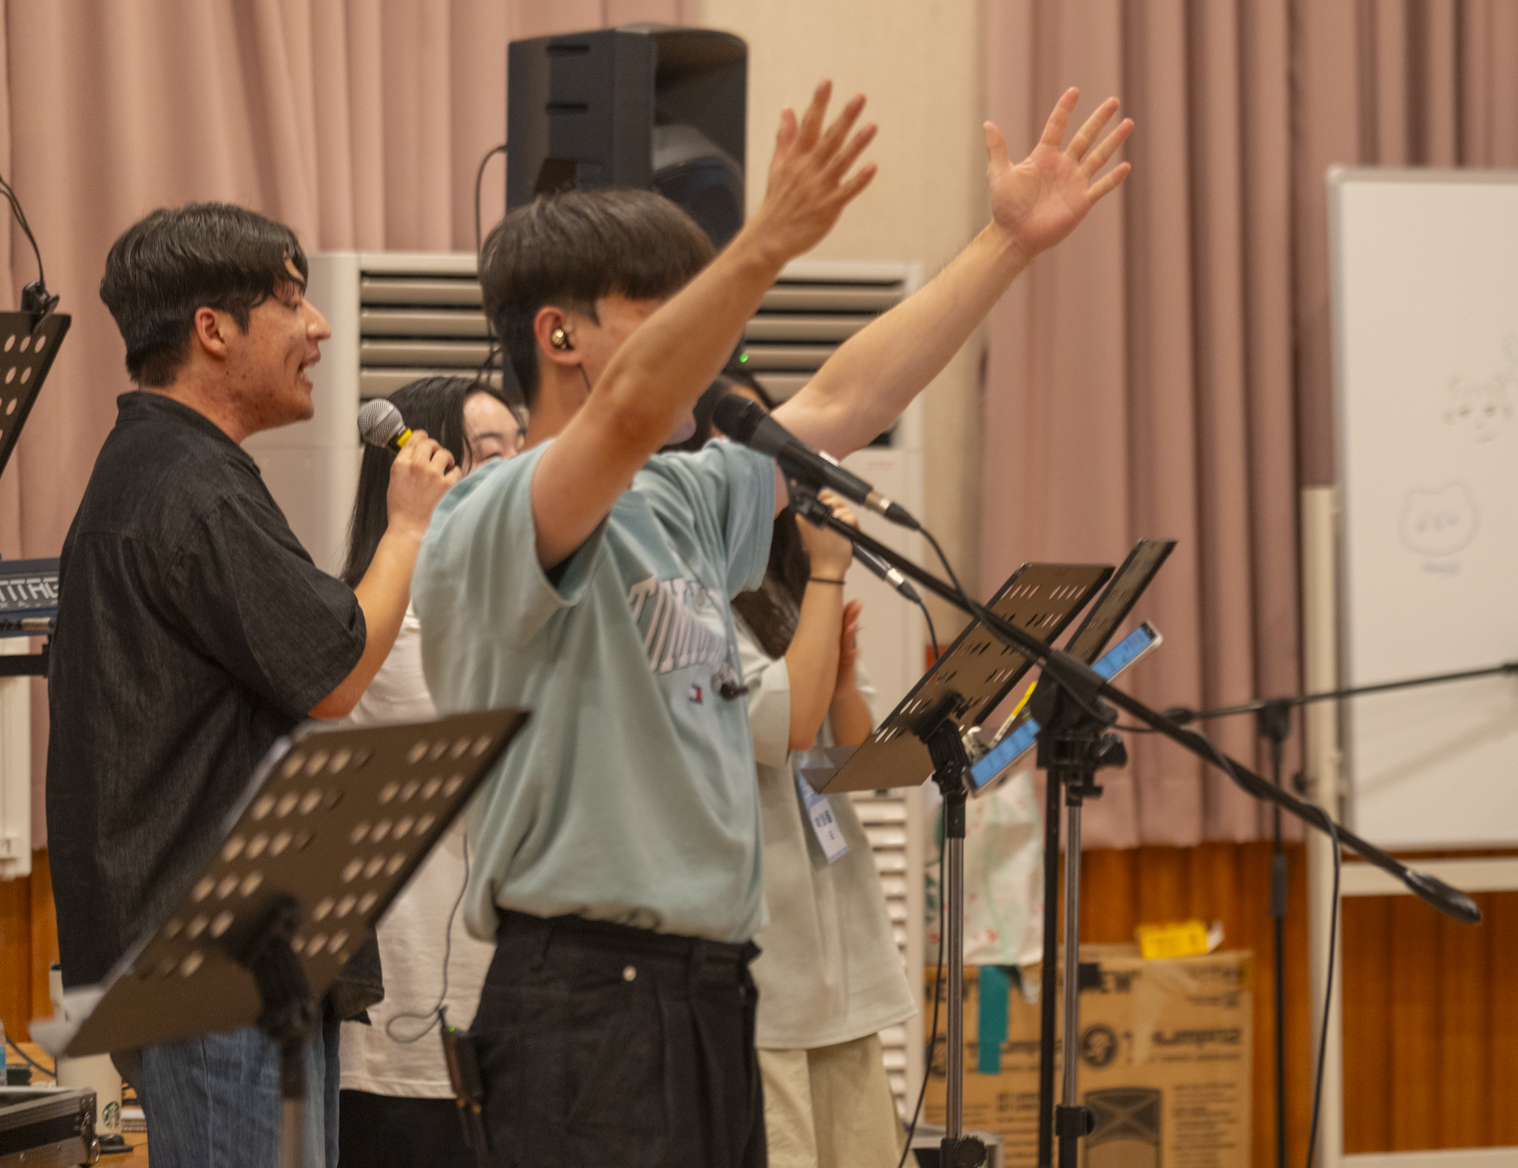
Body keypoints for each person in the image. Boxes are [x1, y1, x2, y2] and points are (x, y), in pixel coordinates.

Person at [413, 82, 1131, 1168]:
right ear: (559, 335)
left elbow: (844, 400)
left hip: (714, 984)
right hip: (582, 998)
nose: (715, 340)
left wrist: (1008, 243)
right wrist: (764, 245)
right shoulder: (492, 512)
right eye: (665, 309)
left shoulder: (684, 498)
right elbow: (622, 412)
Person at [46, 203, 459, 1168]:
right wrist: (406, 529)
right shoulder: (189, 484)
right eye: (292, 301)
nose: (320, 327)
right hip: (215, 961)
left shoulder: (166, 467)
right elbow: (336, 673)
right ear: (213, 329)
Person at [681, 373, 916, 1167]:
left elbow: (853, 750)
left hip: (837, 945)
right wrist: (829, 572)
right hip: (763, 959)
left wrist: (843, 676)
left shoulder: (780, 585)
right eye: (737, 442)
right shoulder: (688, 590)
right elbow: (787, 726)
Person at [333, 377, 524, 1168]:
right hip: (412, 1035)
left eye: (524, 450)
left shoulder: (515, 612)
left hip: (514, 1014)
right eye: (491, 454)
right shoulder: (389, 628)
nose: (521, 471)